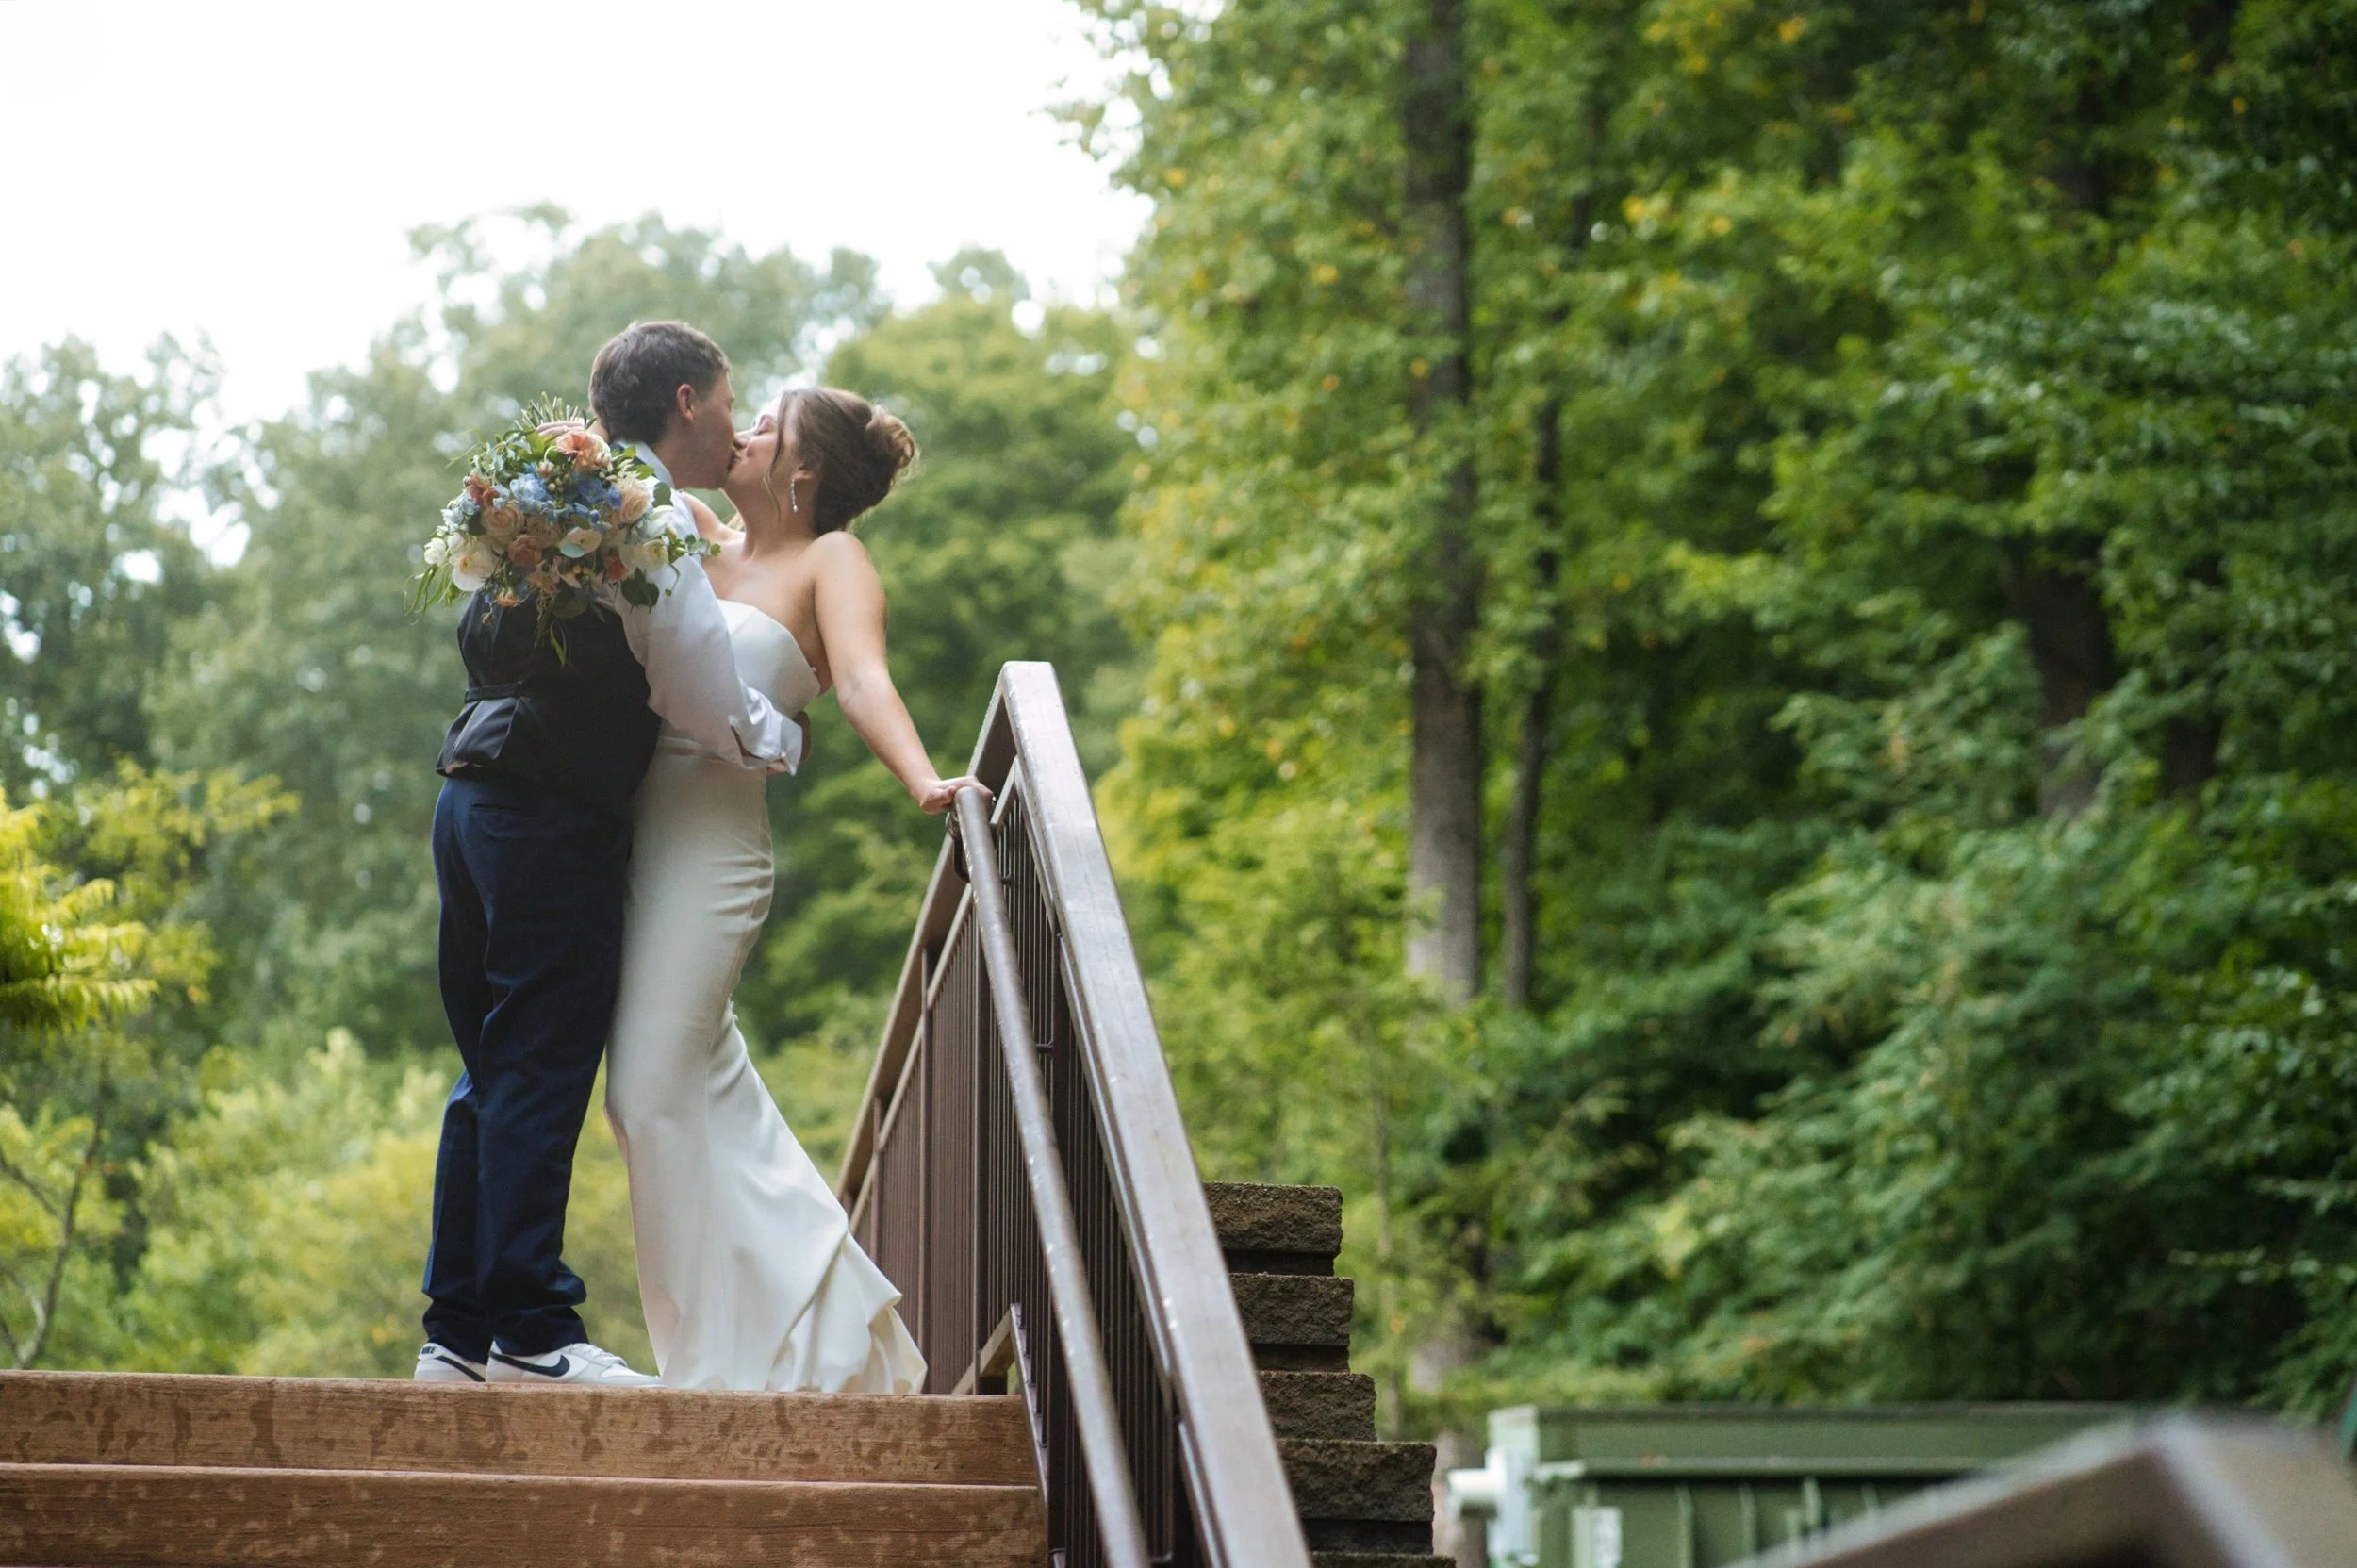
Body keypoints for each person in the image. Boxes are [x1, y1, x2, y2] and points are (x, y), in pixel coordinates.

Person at [415, 322, 801, 1388]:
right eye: (730, 400)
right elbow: (695, 685)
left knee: (491, 1065)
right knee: (539, 1058)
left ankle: (454, 1333)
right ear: (687, 401)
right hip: (548, 816)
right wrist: (781, 737)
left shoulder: (546, 495)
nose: (736, 421)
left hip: (469, 799)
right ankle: (533, 1331)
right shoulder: (646, 513)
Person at [602, 385, 982, 1390]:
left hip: (713, 849)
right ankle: (807, 1335)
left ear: (802, 472)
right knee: (690, 1088)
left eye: (766, 424)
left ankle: (716, 1364)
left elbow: (859, 679)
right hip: (622, 840)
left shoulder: (832, 561)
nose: (744, 432)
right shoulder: (688, 529)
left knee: (646, 1095)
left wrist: (923, 780)